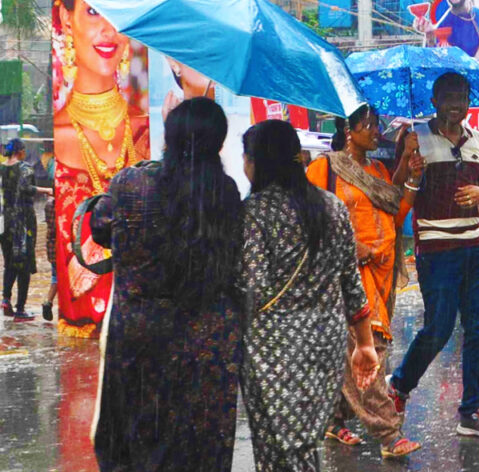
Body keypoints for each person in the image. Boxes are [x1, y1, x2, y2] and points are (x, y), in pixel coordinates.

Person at [89, 98, 242, 470]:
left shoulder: (132, 183)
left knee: (139, 441)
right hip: (208, 345)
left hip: (141, 341)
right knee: (200, 446)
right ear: (219, 144)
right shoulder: (224, 194)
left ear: (170, 139)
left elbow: (99, 227)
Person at [239, 120, 379, 471]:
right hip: (325, 347)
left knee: (276, 451)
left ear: (258, 162)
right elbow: (351, 284)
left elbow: (251, 289)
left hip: (270, 352)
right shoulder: (331, 207)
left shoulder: (254, 213)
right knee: (304, 447)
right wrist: (365, 344)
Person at [387, 72, 479, 440]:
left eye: (463, 97)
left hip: (475, 247)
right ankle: (400, 385)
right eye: (449, 97)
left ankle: (473, 410)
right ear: (435, 101)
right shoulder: (414, 138)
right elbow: (394, 190)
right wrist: (409, 164)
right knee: (438, 327)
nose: (457, 104)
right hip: (436, 251)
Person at [306, 106, 424, 459]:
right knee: (370, 350)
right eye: (368, 125)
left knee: (347, 350)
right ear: (348, 129)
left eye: (375, 124)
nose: (375, 131)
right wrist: (346, 244)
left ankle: (333, 418)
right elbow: (311, 218)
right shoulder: (325, 168)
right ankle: (388, 434)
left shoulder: (376, 170)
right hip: (348, 274)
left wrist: (411, 173)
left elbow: (395, 212)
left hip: (383, 270)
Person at [53, 0, 150, 337]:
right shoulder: (58, 135)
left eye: (120, 12)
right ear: (63, 17)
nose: (109, 29)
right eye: (93, 11)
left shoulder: (147, 129)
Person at [1, 139, 52, 321]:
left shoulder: (2, 168)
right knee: (24, 266)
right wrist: (46, 190)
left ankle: (6, 300)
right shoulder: (25, 168)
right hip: (22, 224)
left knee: (9, 263)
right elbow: (25, 188)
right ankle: (20, 309)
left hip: (4, 223)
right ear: (20, 151)